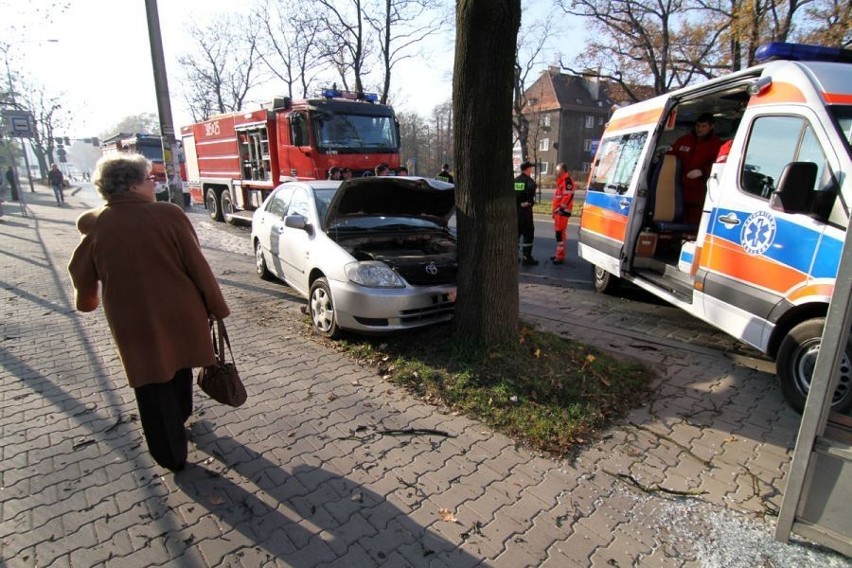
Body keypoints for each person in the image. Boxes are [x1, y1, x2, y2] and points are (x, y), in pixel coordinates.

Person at [67, 153, 230, 473]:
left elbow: (80, 273)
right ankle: (179, 421)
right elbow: (198, 266)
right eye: (148, 178)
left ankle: (170, 454)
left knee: (151, 381)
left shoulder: (98, 223)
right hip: (181, 313)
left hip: (133, 322)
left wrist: (87, 299)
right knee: (178, 364)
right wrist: (216, 306)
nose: (154, 183)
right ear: (131, 184)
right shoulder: (168, 214)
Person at [667, 112, 723, 225]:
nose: (699, 129)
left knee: (691, 225)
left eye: (703, 126)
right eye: (698, 126)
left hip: (698, 194)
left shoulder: (717, 145)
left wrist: (703, 171)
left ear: (711, 127)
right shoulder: (684, 140)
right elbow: (670, 156)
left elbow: (719, 166)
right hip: (677, 190)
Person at [515, 161, 538, 266]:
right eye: (531, 168)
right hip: (525, 213)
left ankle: (514, 256)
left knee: (516, 234)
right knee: (528, 234)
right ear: (528, 169)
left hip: (515, 212)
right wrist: (529, 202)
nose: (531, 170)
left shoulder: (515, 181)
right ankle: (526, 257)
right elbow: (529, 199)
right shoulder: (530, 182)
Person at [550, 163, 574, 265]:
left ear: (563, 170)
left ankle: (560, 256)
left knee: (559, 234)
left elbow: (568, 197)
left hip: (562, 212)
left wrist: (560, 209)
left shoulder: (567, 182)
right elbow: (558, 198)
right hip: (559, 212)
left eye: (558, 170)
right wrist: (554, 211)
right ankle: (559, 254)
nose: (556, 172)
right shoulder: (562, 181)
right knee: (560, 234)